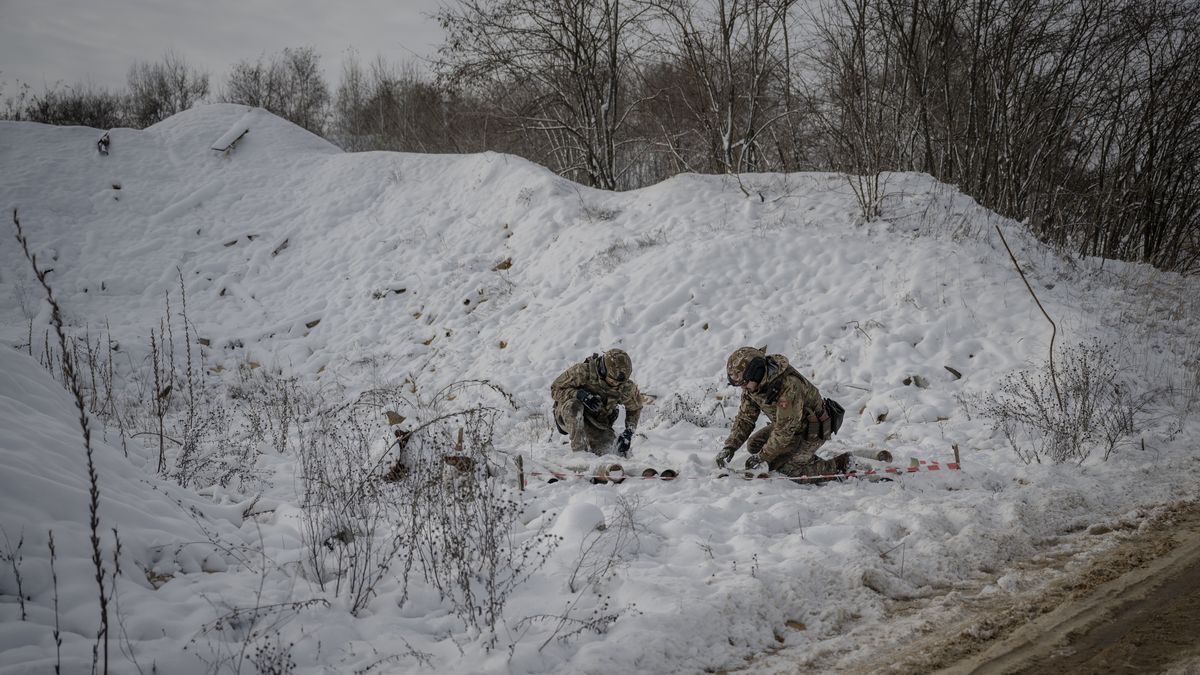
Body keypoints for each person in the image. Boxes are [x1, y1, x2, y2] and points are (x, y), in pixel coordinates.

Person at [716, 346, 848, 479]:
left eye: (744, 383)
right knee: (754, 445)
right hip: (790, 426)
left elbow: (785, 430)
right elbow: (746, 418)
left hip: (811, 431)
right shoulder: (753, 387)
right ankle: (798, 457)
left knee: (788, 472)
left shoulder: (789, 386)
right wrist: (730, 446)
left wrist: (763, 457)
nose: (743, 388)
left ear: (756, 372)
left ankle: (842, 464)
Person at [551, 349, 642, 456]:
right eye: (612, 380)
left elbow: (635, 408)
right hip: (567, 416)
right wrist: (578, 394)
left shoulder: (625, 387)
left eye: (619, 382)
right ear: (603, 370)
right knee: (574, 405)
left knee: (613, 453)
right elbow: (555, 389)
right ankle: (579, 453)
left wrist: (629, 432)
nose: (616, 384)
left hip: (597, 424)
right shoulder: (582, 372)